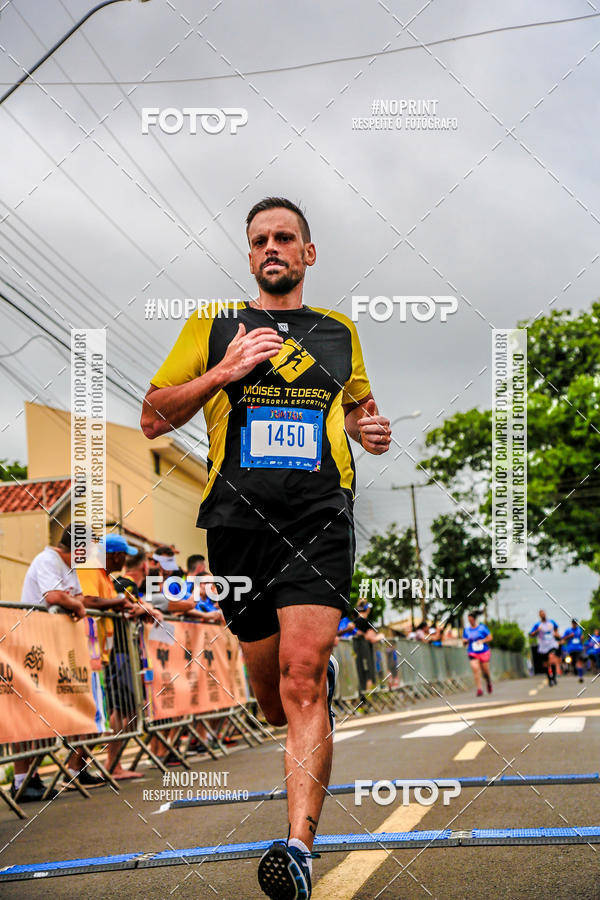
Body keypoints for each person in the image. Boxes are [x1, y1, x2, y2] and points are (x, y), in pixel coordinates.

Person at [141, 196, 390, 899]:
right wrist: (224, 371)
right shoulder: (215, 325)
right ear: (249, 256)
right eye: (259, 240)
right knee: (273, 701)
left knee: (303, 674)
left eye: (285, 237)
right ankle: (297, 702)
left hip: (319, 519)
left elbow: (357, 409)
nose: (272, 247)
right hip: (238, 526)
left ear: (308, 254)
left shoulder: (338, 331)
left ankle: (297, 850)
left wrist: (368, 429)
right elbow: (152, 417)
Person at [16, 525, 111, 799]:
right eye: (90, 550)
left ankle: (66, 771)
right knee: (31, 716)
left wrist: (75, 603)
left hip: (56, 649)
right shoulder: (48, 560)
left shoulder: (70, 567)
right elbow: (55, 597)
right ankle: (22, 779)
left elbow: (76, 597)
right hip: (34, 646)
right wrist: (76, 605)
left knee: (61, 712)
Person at [462, 612, 493, 696]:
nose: (470, 622)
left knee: (485, 671)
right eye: (469, 620)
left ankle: (488, 681)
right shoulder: (466, 630)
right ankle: (479, 689)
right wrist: (465, 641)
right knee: (476, 669)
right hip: (472, 652)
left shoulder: (482, 628)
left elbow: (490, 637)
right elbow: (464, 641)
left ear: (475, 619)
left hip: (484, 651)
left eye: (471, 620)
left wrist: (482, 641)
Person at [529, 609, 560, 686]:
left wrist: (556, 633)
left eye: (544, 614)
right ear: (539, 616)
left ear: (545, 614)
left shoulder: (551, 622)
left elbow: (556, 628)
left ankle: (554, 677)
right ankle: (549, 678)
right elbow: (531, 634)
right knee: (546, 664)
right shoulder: (537, 625)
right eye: (541, 614)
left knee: (552, 659)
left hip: (552, 644)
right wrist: (537, 631)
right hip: (543, 647)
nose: (543, 615)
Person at [561, 618, 586, 682]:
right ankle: (572, 670)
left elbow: (581, 638)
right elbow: (563, 638)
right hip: (571, 649)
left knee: (579, 661)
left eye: (576, 623)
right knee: (571, 662)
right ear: (572, 623)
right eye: (574, 623)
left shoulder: (579, 630)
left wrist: (582, 638)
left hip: (579, 648)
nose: (575, 624)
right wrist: (569, 636)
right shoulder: (568, 630)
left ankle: (580, 676)